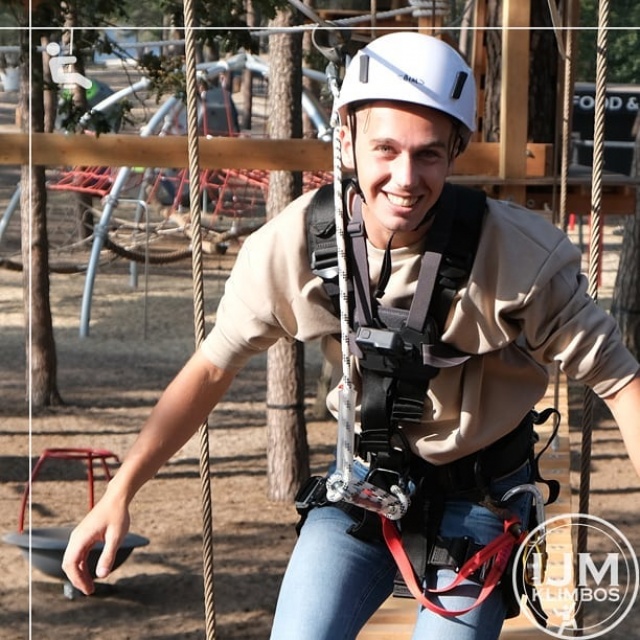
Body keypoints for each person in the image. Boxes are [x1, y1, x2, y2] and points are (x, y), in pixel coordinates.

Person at [62, 32, 640, 640]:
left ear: (456, 152)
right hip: (365, 489)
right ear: (347, 141)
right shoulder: (296, 248)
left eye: (430, 155)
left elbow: (623, 383)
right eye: (385, 148)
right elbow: (210, 368)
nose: (405, 178)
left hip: (482, 500)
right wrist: (120, 491)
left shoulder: (521, 260)